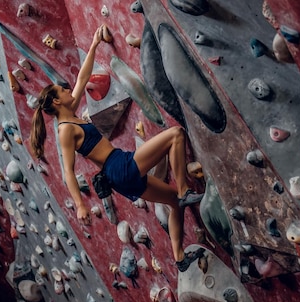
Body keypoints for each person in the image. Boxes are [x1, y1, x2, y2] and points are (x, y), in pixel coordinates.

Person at [29, 25, 204, 272]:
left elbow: (82, 78)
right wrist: (80, 204)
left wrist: (93, 44)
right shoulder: (65, 130)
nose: (69, 90)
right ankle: (185, 189)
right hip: (118, 166)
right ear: (57, 101)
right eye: (63, 91)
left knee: (173, 203)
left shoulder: (71, 113)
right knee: (175, 135)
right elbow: (67, 170)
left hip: (119, 174)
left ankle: (179, 258)